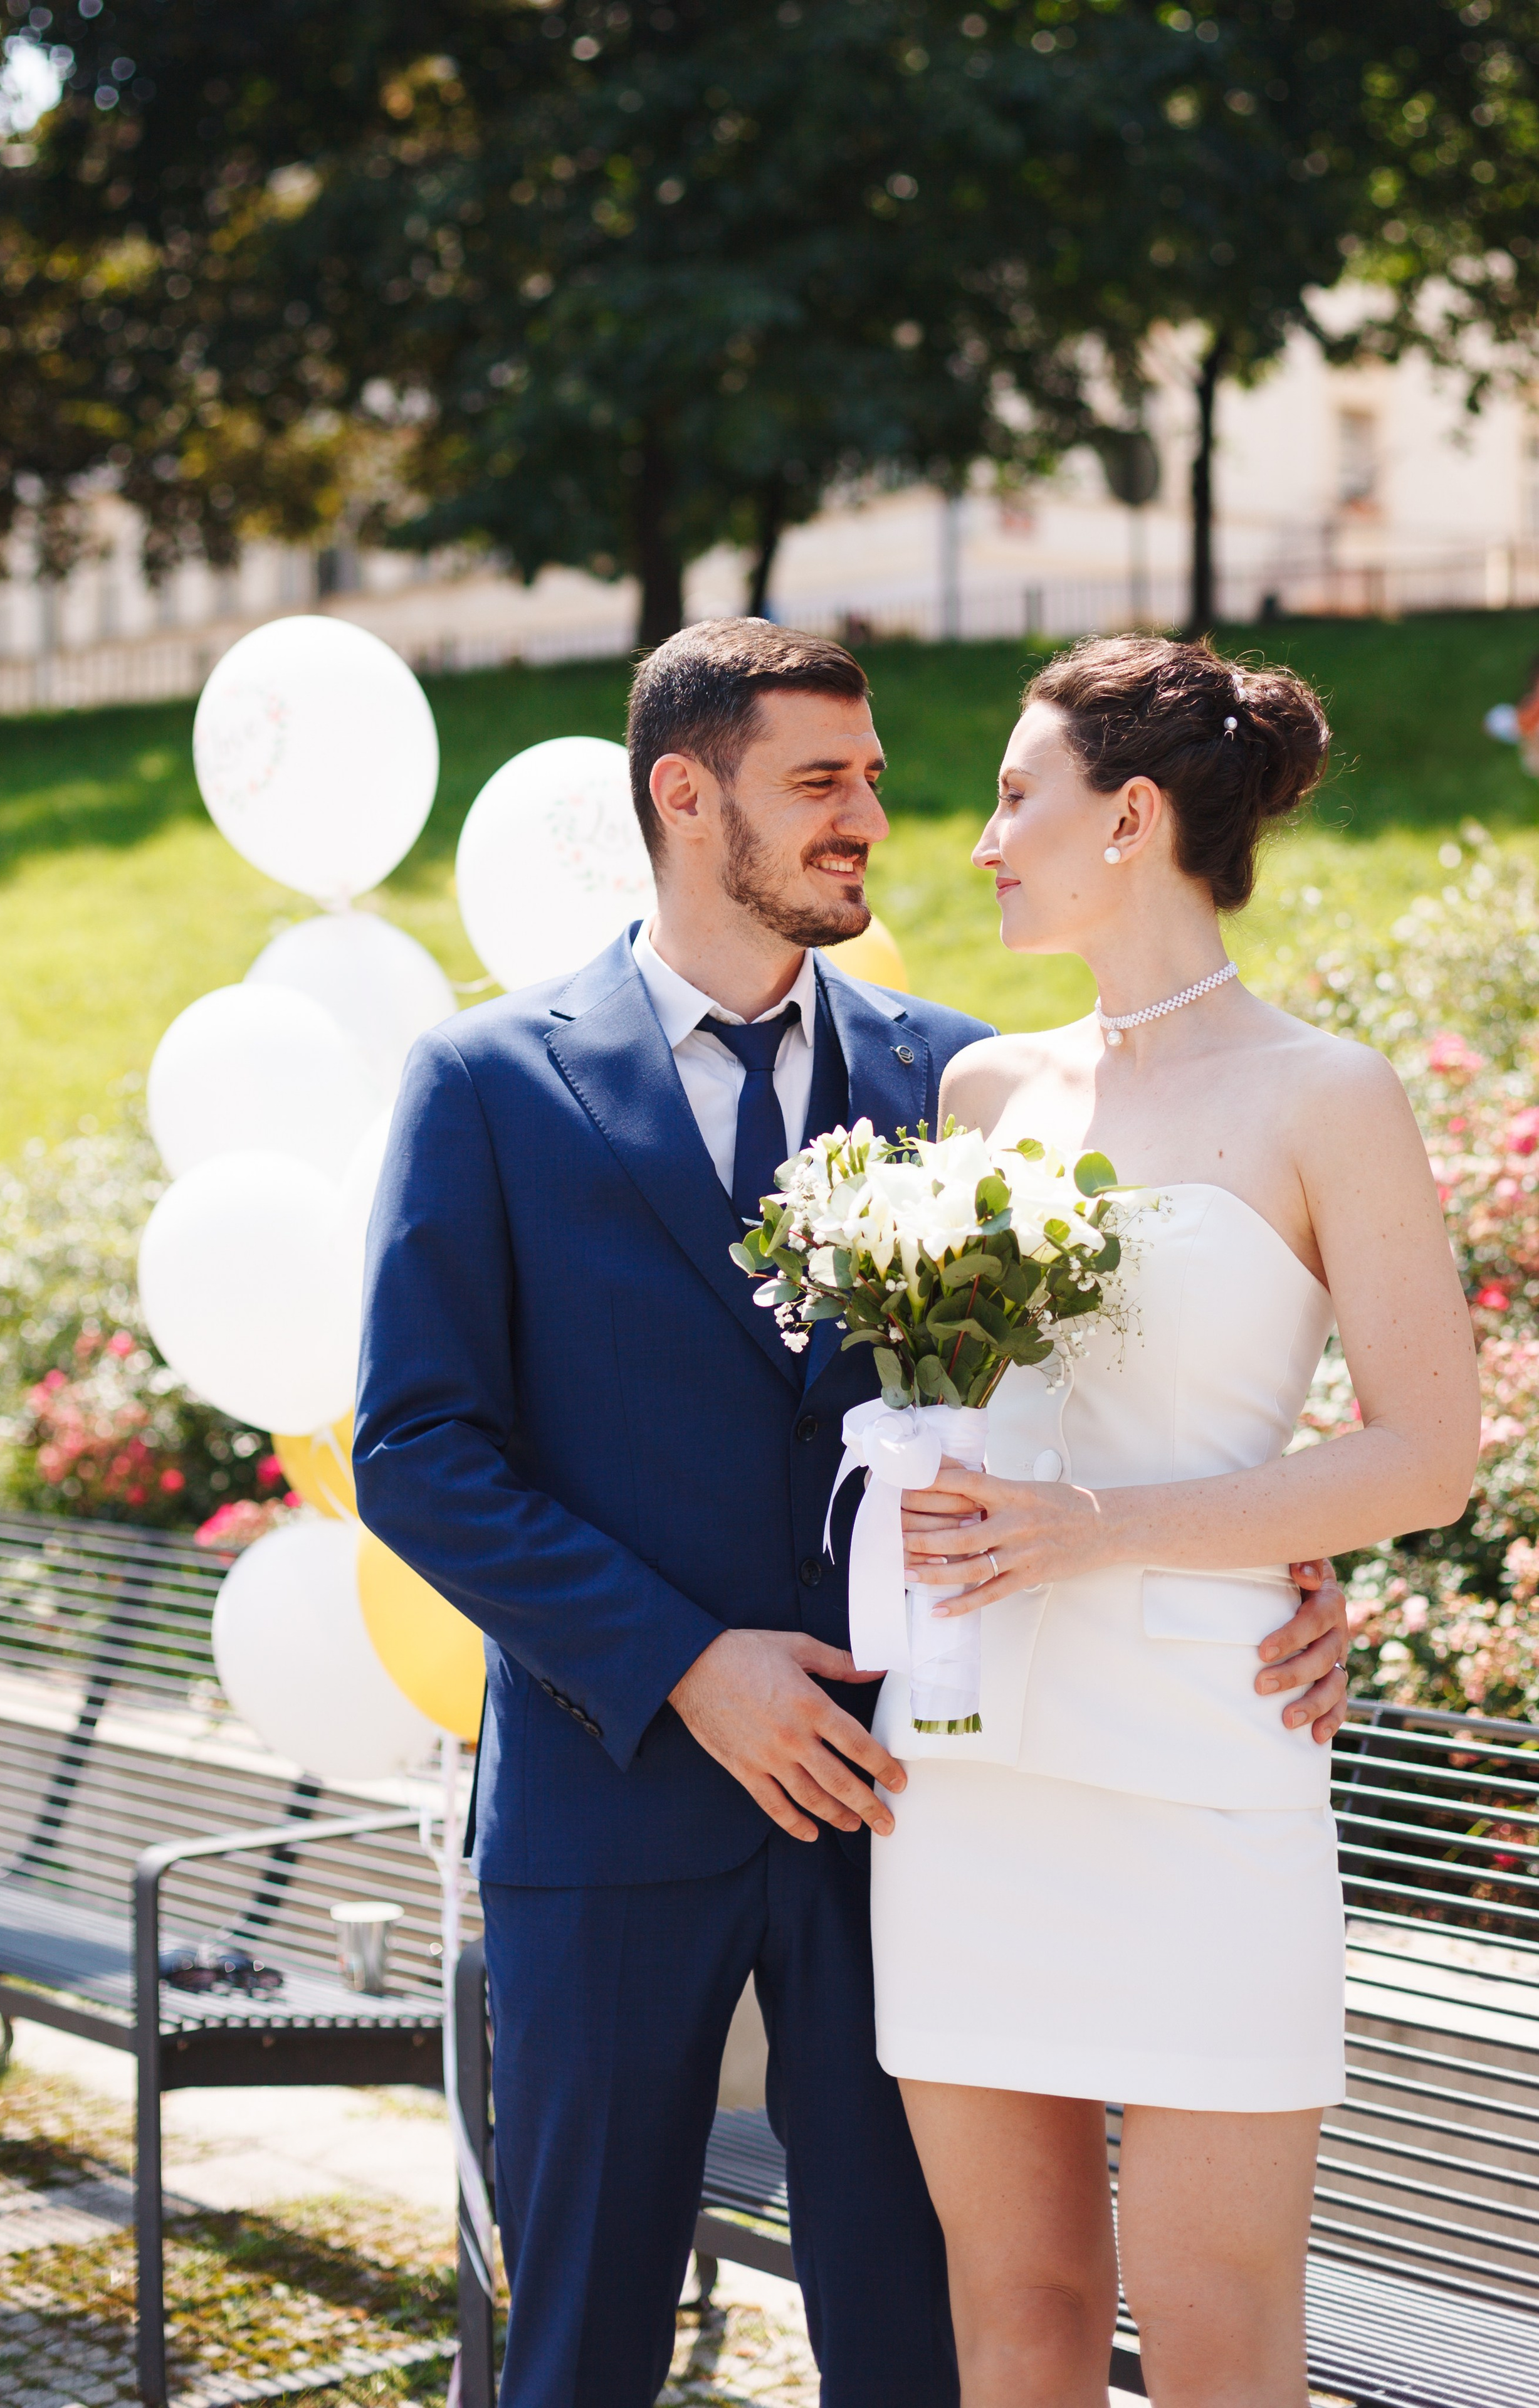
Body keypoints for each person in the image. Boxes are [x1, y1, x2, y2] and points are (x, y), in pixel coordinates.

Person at [353, 619, 1353, 2408]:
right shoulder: (487, 1083)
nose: (870, 822)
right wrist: (685, 1667)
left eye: (876, 780)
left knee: (917, 2345)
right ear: (684, 792)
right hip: (612, 1805)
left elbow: (1105, 1381)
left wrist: (1291, 1554)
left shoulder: (961, 1081)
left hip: (915, 1818)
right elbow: (419, 1451)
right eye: (822, 783)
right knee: (576, 2345)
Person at [876, 633, 1481, 2408]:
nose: (982, 838)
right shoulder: (977, 1095)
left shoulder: (1326, 1098)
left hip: (1212, 1771)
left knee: (1218, 2338)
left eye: (1014, 796)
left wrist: (1099, 1529)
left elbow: (1425, 1457)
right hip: (969, 1774)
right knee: (1020, 2321)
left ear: (1129, 817)